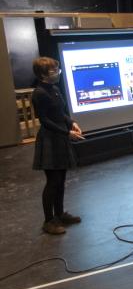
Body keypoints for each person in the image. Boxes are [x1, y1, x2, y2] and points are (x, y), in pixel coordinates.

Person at [31, 57, 84, 235]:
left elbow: (60, 113)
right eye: (53, 70)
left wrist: (71, 123)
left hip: (60, 137)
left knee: (60, 180)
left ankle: (60, 214)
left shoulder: (54, 89)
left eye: (57, 69)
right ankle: (48, 221)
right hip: (49, 141)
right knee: (52, 181)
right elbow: (45, 120)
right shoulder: (39, 93)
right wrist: (67, 132)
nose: (57, 73)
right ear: (42, 74)